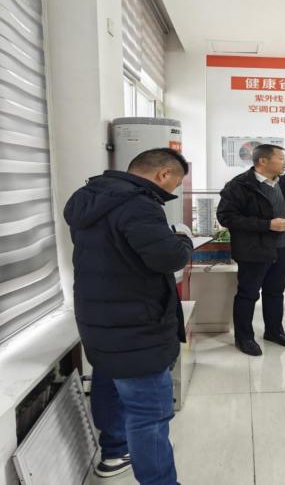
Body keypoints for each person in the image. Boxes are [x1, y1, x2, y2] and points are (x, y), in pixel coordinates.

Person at [64, 148, 193, 485]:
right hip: (137, 323)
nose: (171, 192)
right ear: (163, 174)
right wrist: (183, 238)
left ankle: (114, 451)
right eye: (174, 184)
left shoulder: (87, 197)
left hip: (100, 317)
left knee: (109, 382)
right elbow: (168, 258)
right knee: (149, 416)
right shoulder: (138, 204)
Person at [216, 144, 285, 356]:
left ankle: (274, 331)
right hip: (254, 250)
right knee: (248, 294)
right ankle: (244, 337)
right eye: (281, 158)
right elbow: (226, 217)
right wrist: (267, 225)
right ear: (263, 161)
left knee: (275, 292)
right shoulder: (239, 185)